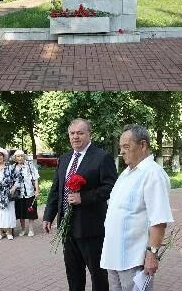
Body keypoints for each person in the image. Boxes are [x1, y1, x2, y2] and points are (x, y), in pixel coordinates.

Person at [43, 118, 118, 291]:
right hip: (67, 228)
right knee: (73, 273)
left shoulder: (102, 157)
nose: (75, 137)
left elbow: (111, 187)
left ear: (89, 134)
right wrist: (48, 216)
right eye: (72, 133)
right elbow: (56, 190)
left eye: (80, 133)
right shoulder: (64, 158)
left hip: (91, 227)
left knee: (98, 273)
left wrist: (84, 197)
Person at [100, 124, 173, 291]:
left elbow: (159, 220)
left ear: (143, 145)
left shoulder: (152, 174)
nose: (122, 151)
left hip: (133, 258)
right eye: (121, 147)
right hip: (113, 256)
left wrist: (151, 255)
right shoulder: (126, 174)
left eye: (127, 147)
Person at [12, 149, 40, 237]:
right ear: (15, 158)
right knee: (21, 213)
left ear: (24, 157)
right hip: (19, 194)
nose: (20, 158)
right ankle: (23, 229)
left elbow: (35, 178)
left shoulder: (30, 165)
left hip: (29, 192)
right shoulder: (13, 167)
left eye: (21, 156)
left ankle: (31, 229)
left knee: (31, 212)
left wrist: (37, 189)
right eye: (18, 156)